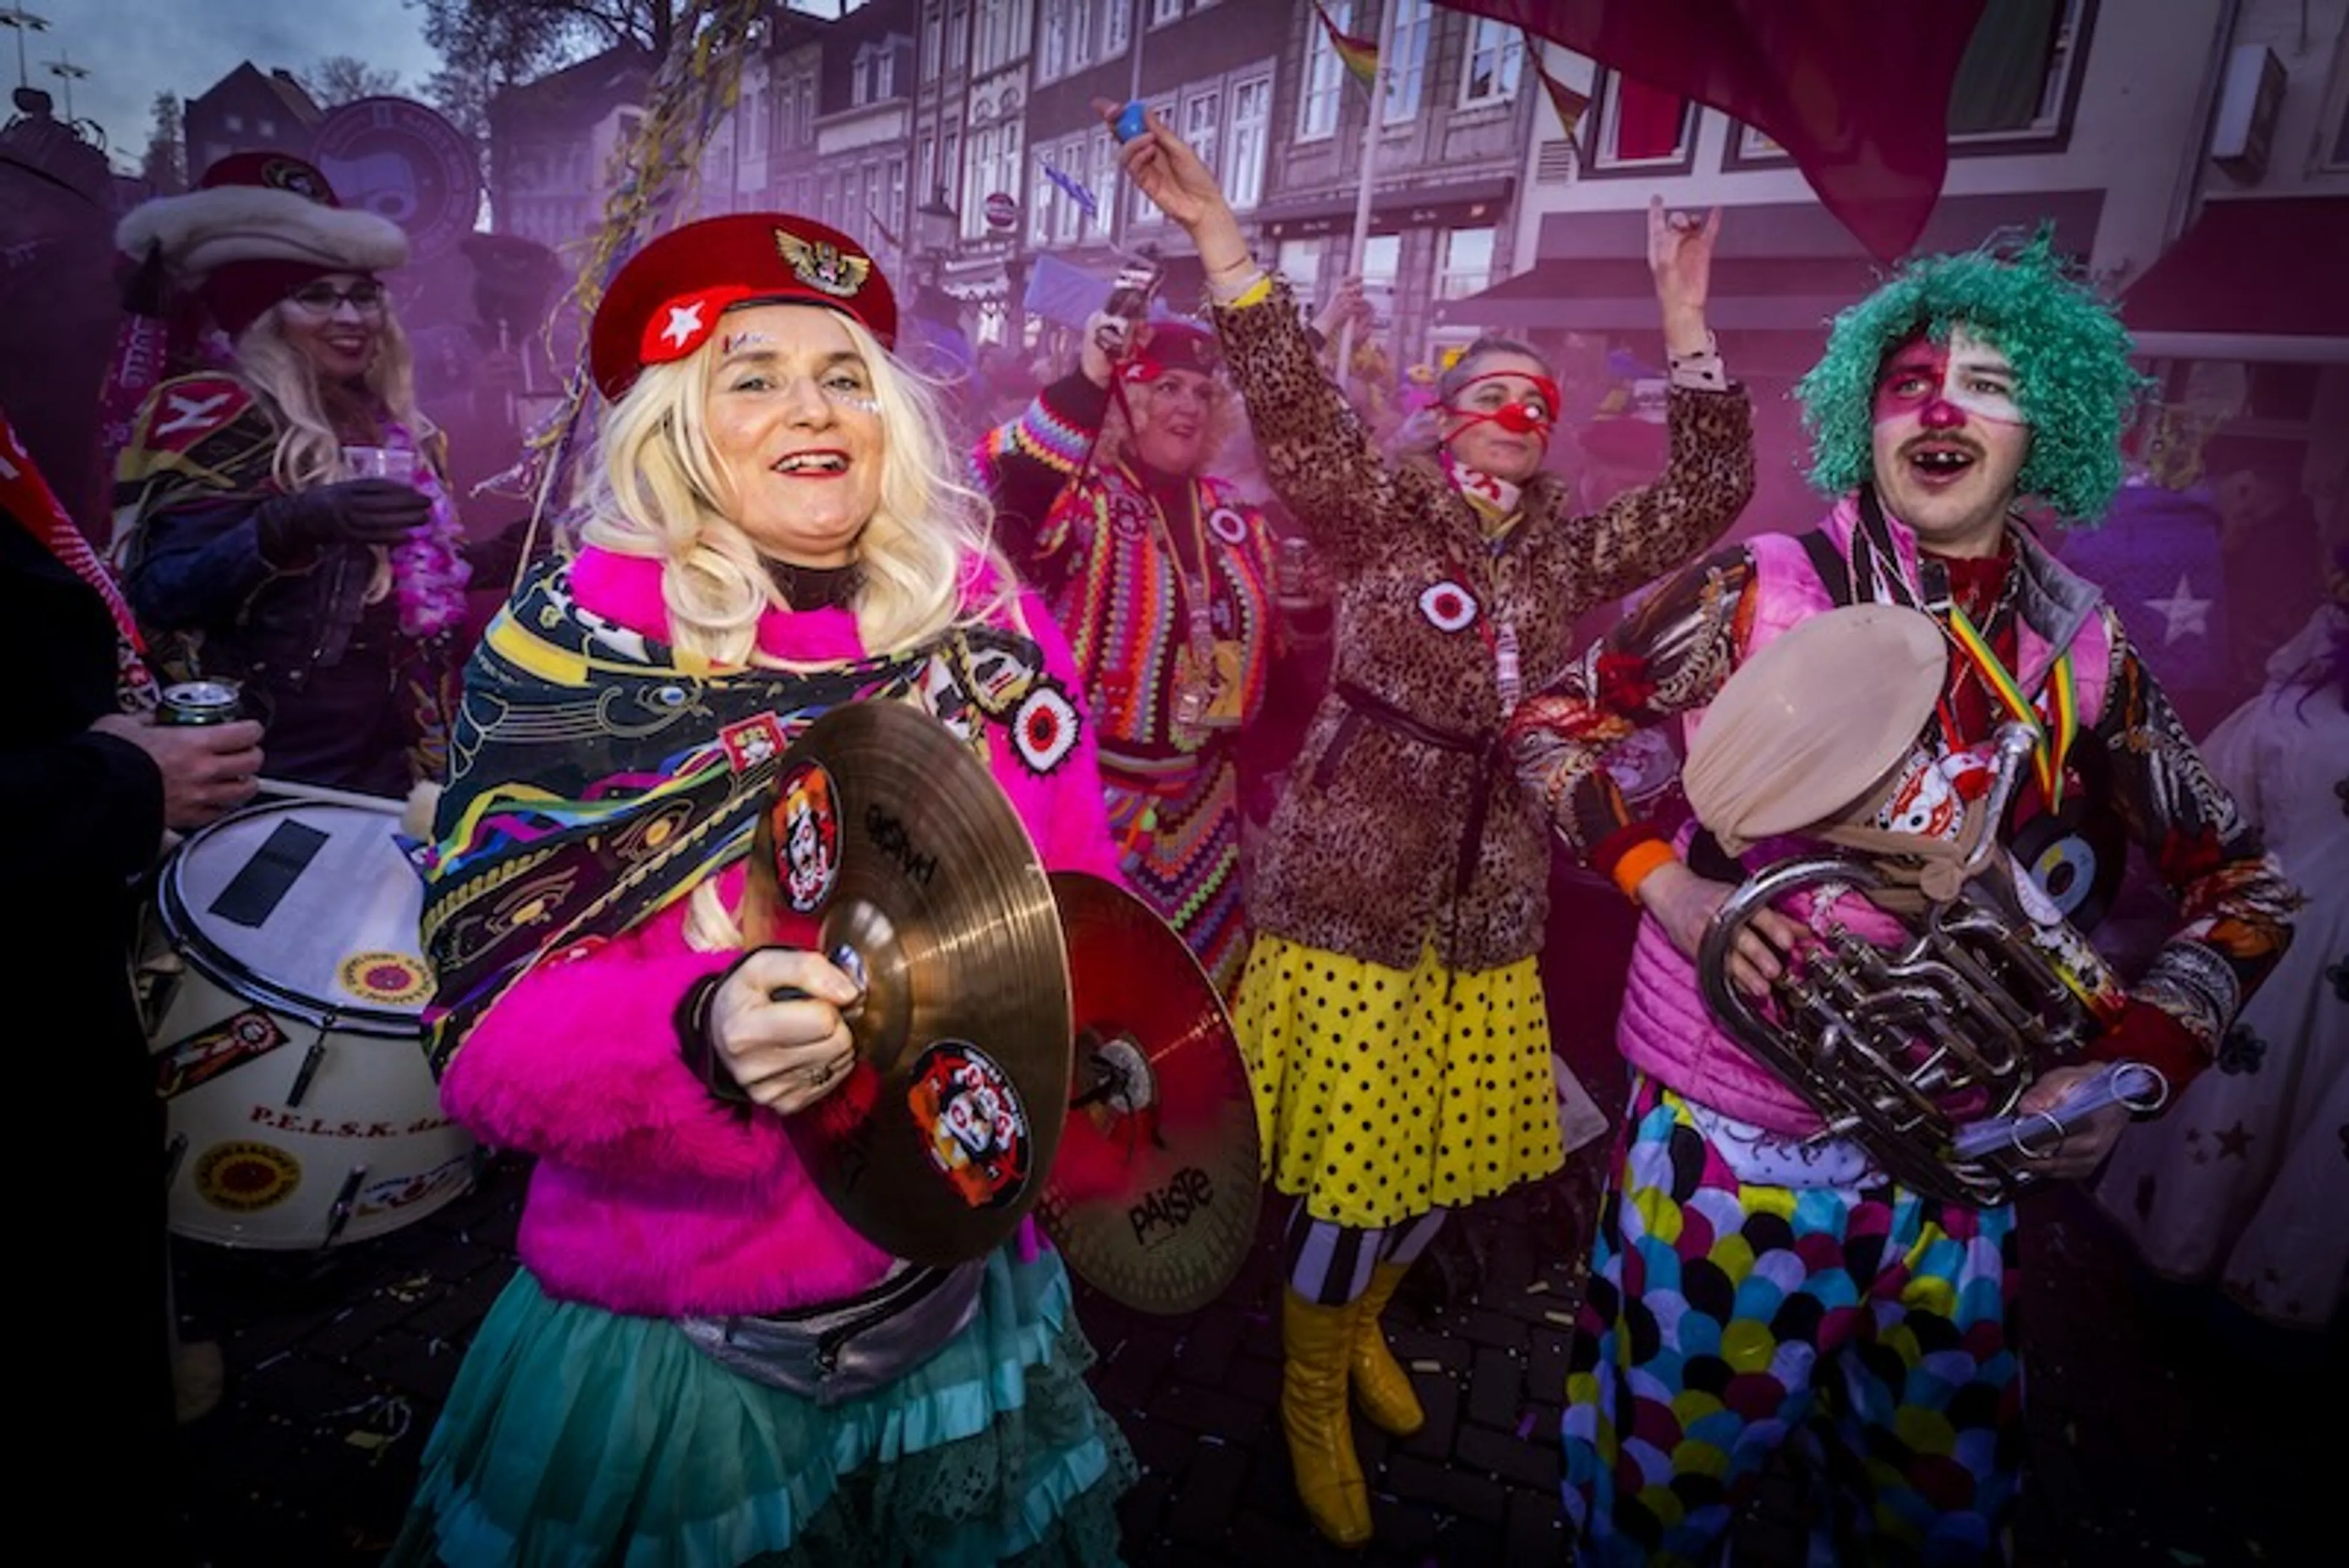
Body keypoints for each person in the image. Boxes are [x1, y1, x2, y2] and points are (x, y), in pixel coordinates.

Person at [1505, 232, 2301, 1565]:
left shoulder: (2084, 647)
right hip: (1731, 1163)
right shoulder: (1763, 589)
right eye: (1910, 379)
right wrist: (1675, 886)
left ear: (2040, 424)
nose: (1940, 404)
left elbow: (2247, 888)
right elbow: (1548, 722)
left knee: (1928, 1523)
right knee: (1653, 1516)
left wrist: (2125, 1074)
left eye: (1987, 383)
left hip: (1953, 1179)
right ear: (1861, 416)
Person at [384, 212, 1135, 1566]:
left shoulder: (976, 620)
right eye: (754, 374)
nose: (815, 407)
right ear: (678, 424)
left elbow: (1069, 893)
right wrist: (700, 1036)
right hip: (688, 1330)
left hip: (962, 1271)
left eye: (843, 374)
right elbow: (486, 1028)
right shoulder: (569, 657)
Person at [1110, 103, 1755, 1546]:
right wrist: (1221, 237)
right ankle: (1306, 1384)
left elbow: (1708, 495)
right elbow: (1285, 397)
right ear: (1451, 406)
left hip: (1487, 907)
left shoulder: (1571, 549)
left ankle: (1356, 1333)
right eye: (1494, 387)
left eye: (1539, 396)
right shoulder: (1378, 510)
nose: (1518, 410)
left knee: (1442, 1165)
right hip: (1350, 889)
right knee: (1351, 1179)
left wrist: (1684, 318)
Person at [976, 304, 1318, 994]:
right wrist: (1086, 378)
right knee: (1083, 997)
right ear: (1126, 399)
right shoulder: (1085, 502)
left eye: (1201, 391)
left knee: (1194, 1009)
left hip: (1203, 811)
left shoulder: (1238, 521)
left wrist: (1310, 621)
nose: (1187, 405)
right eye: (1166, 387)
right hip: (1085, 803)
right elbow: (1008, 486)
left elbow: (1283, 681)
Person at [113, 152, 467, 798]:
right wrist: (285, 527)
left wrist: (493, 558)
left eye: (364, 296)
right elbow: (160, 593)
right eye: (317, 296)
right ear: (262, 315)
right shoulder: (212, 413)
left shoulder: (395, 426)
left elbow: (396, 585)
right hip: (279, 771)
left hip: (396, 756)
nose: (353, 319)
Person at [2093, 571, 2345, 1336]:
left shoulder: (2289, 718)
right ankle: (2178, 1264)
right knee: (2239, 1093)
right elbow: (2211, 814)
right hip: (2278, 937)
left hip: (2296, 938)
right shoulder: (2290, 715)